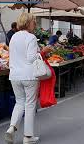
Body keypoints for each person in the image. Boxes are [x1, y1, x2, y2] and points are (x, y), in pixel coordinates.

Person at [5, 13, 51, 144]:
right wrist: (43, 52)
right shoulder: (31, 37)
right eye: (33, 22)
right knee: (30, 104)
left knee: (19, 102)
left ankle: (12, 127)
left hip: (14, 75)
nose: (35, 25)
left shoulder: (13, 37)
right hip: (29, 76)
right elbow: (31, 58)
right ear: (28, 23)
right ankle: (28, 137)